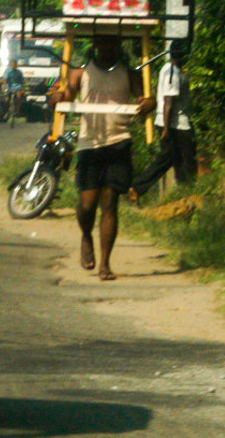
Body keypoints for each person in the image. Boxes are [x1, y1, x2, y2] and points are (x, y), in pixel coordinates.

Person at [53, 35, 153, 281]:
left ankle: (105, 263)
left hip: (119, 141)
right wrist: (56, 97)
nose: (107, 47)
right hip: (89, 144)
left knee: (110, 203)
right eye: (103, 43)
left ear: (118, 46)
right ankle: (86, 236)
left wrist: (149, 102)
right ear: (95, 46)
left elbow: (145, 99)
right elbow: (65, 97)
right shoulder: (80, 73)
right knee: (87, 204)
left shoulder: (129, 74)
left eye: (112, 43)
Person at [129, 40, 197, 203]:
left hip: (174, 123)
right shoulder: (172, 73)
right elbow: (168, 102)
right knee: (185, 159)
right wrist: (167, 129)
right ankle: (186, 192)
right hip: (176, 124)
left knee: (172, 159)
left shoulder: (173, 70)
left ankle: (140, 189)